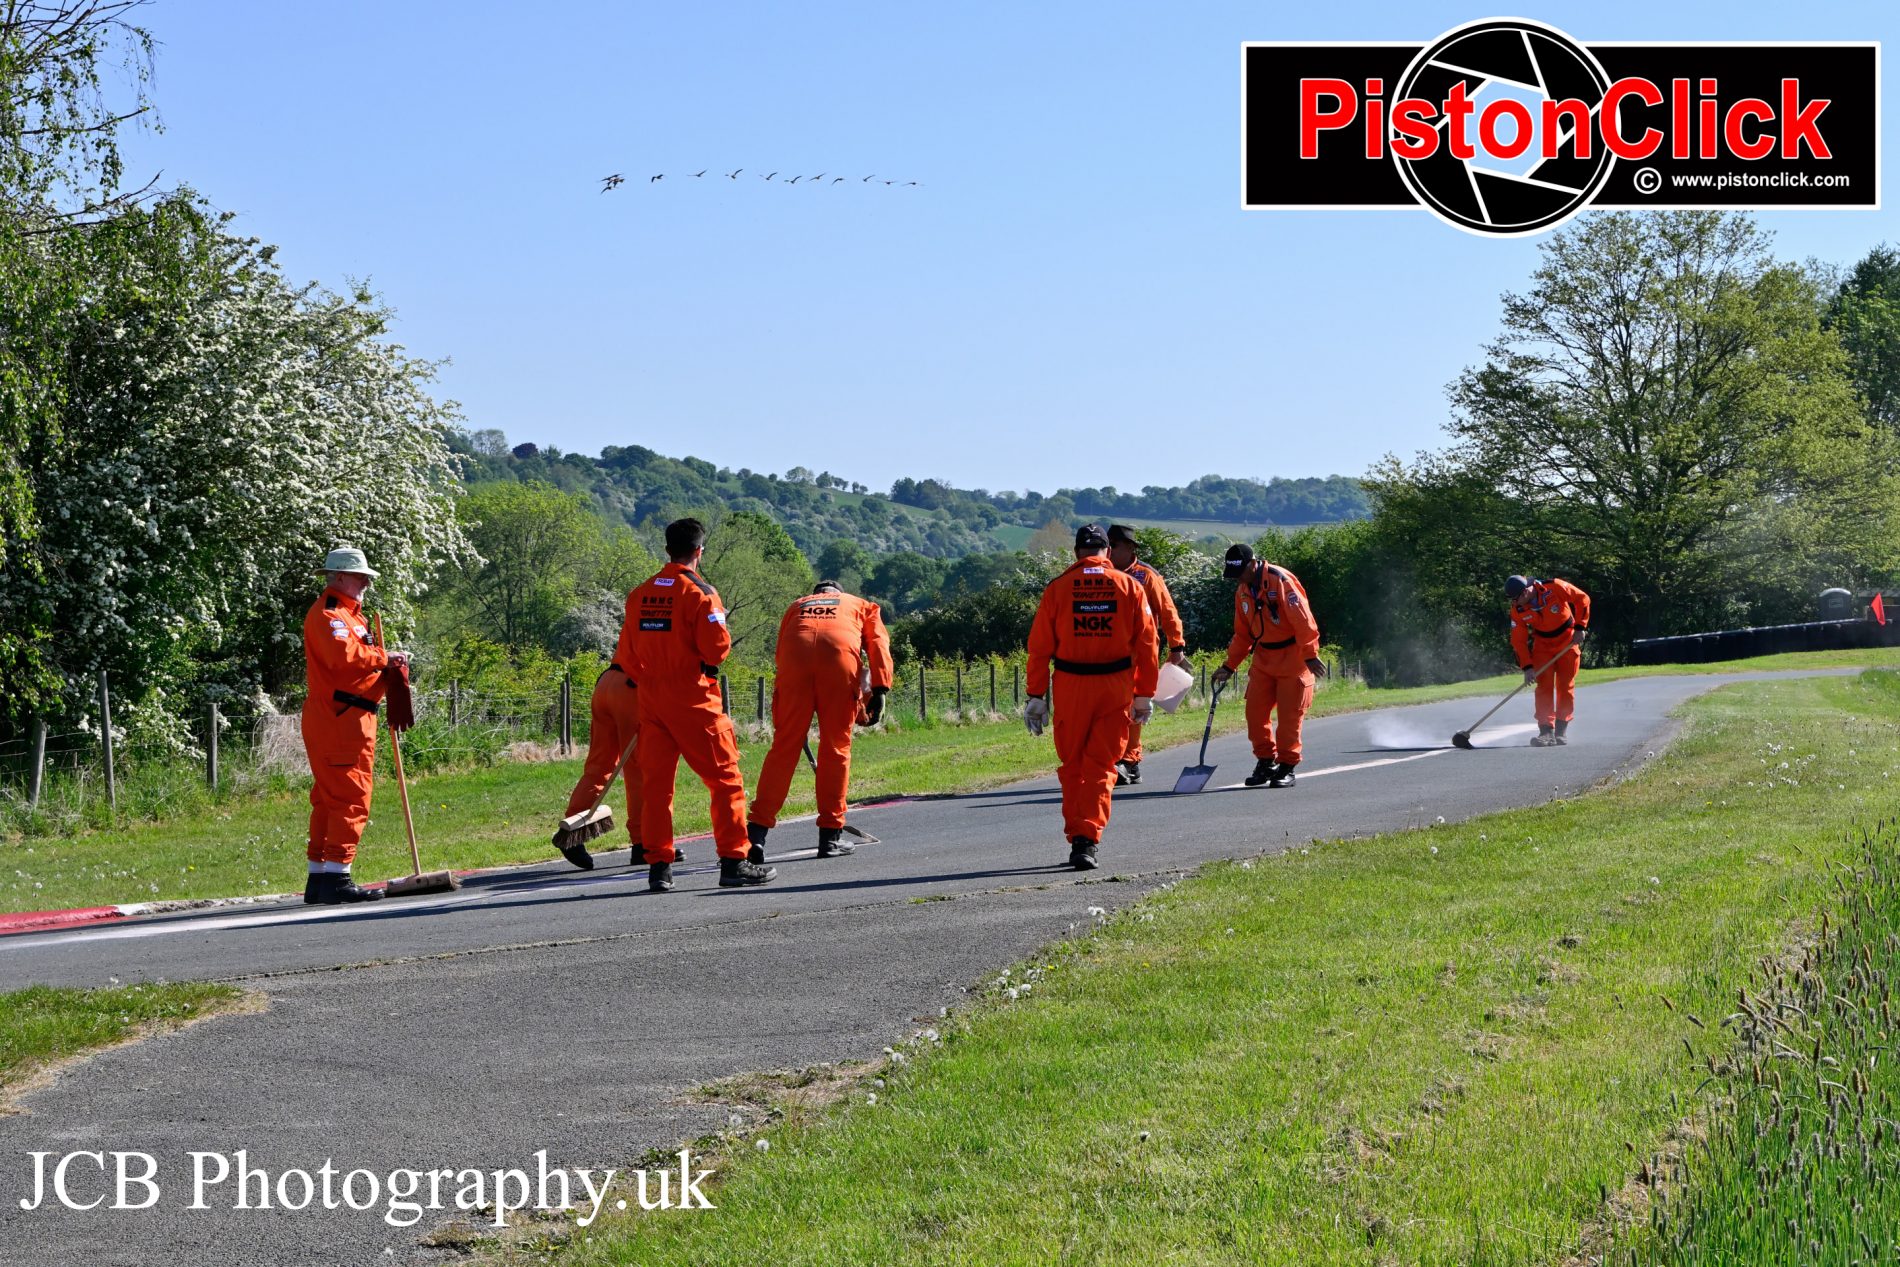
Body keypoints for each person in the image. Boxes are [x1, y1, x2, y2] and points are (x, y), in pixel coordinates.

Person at [624, 518, 776, 892]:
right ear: (699, 551)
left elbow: (627, 655)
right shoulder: (701, 593)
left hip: (650, 696)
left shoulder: (639, 593)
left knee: (657, 786)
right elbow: (717, 649)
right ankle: (733, 861)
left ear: (667, 550)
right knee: (726, 780)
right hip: (692, 696)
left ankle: (659, 867)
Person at [1025, 524, 1158, 870]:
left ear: (1076, 554)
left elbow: (1039, 648)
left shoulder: (1057, 589)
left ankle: (1076, 834)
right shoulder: (1130, 586)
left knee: (1073, 766)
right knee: (1102, 766)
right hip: (1115, 686)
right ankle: (1088, 839)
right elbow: (1148, 645)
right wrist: (1144, 694)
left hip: (1070, 685)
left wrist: (1036, 695)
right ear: (1107, 553)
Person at [746, 581, 894, 859]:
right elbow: (878, 643)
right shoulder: (861, 605)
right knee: (836, 749)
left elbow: (781, 651)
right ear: (838, 593)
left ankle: (756, 833)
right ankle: (830, 836)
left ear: (817, 594)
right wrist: (880, 688)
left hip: (795, 661)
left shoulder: (796, 605)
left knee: (783, 750)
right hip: (838, 660)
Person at [300, 546, 407, 904]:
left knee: (329, 801)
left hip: (349, 715)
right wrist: (384, 657)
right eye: (360, 576)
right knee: (350, 798)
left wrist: (388, 674)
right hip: (341, 720)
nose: (365, 583)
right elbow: (343, 659)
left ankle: (319, 878)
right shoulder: (330, 615)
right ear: (339, 576)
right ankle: (337, 877)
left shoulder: (353, 616)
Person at [552, 615, 665, 871]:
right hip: (632, 690)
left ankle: (572, 832)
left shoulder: (646, 609)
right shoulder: (678, 609)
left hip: (606, 683)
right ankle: (643, 843)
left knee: (599, 765)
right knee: (639, 770)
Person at [1212, 544, 1325, 788]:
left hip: (1293, 659)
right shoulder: (1243, 591)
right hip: (1263, 659)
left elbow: (1303, 620)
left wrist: (1310, 654)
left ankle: (1287, 766)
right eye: (1235, 575)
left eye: (1241, 572)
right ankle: (1265, 761)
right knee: (1255, 713)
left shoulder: (1280, 581)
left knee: (1288, 719)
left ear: (1253, 564)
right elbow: (1242, 635)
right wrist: (1229, 666)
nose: (1238, 579)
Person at [1105, 524, 1188, 787]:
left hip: (1140, 653)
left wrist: (1177, 647)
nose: (1108, 552)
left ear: (1129, 549)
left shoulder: (1147, 576)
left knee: (1134, 706)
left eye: (1113, 547)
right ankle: (1113, 759)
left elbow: (1167, 611)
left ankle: (1130, 762)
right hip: (1108, 655)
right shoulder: (1103, 573)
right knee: (1112, 708)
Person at [1506, 574, 1591, 746]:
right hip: (1542, 645)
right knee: (1543, 687)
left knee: (1565, 686)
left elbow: (1583, 598)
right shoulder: (1517, 610)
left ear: (1526, 590)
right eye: (1514, 600)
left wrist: (1581, 627)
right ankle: (1546, 732)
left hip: (1567, 640)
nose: (1517, 602)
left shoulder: (1555, 587)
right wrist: (1527, 667)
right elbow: (1518, 641)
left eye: (1518, 598)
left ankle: (1561, 731)